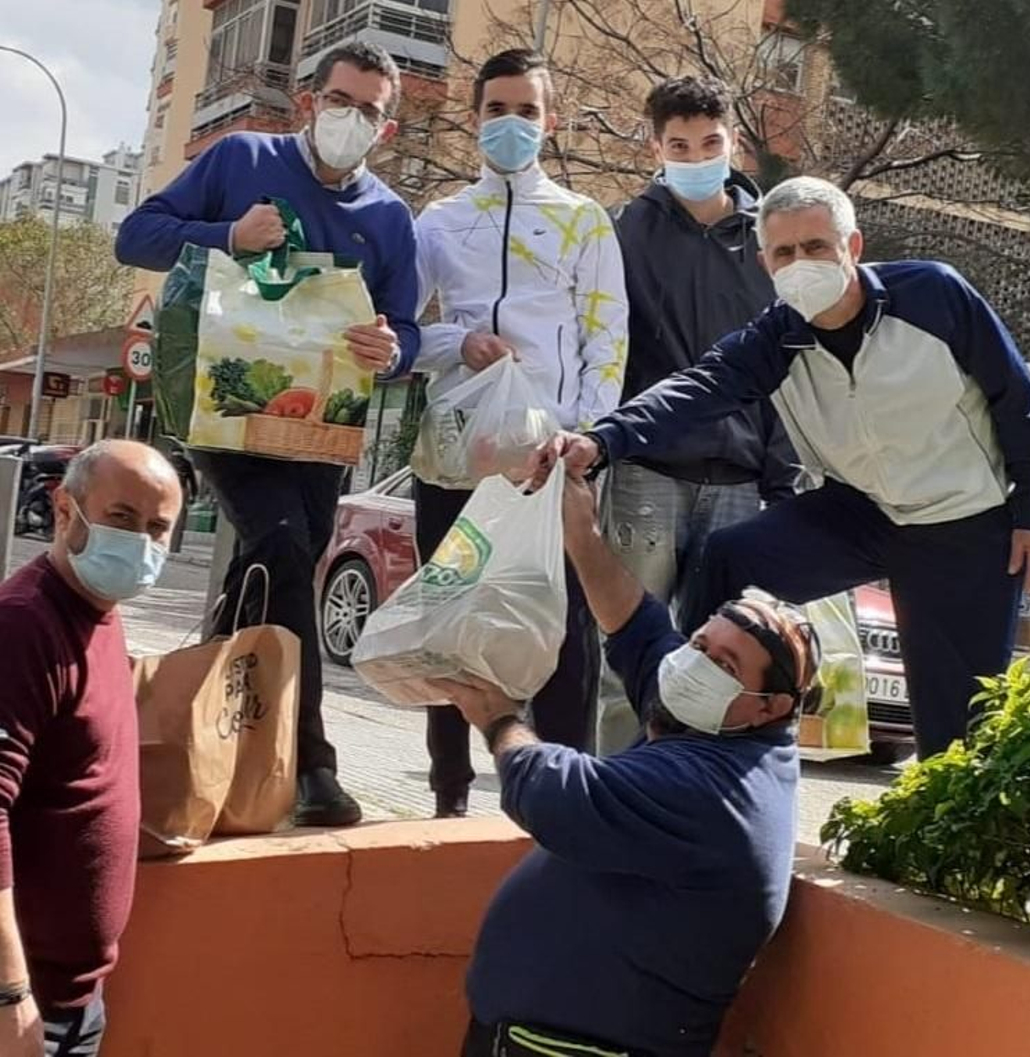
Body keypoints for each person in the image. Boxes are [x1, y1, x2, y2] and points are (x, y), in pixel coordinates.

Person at [559, 176, 1030, 760]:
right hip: (859, 510)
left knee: (959, 731)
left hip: (963, 521)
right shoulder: (776, 339)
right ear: (765, 263)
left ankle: (950, 842)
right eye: (785, 252)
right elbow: (698, 390)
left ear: (853, 248)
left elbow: (1018, 400)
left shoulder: (934, 296)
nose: (801, 262)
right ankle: (701, 732)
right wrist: (601, 442)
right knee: (732, 559)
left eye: (817, 247)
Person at [116, 42, 422, 827]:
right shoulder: (241, 157)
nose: (352, 119)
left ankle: (179, 732)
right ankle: (312, 761)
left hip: (321, 431)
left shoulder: (389, 216)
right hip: (224, 413)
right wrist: (228, 236)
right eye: (342, 100)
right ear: (310, 102)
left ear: (387, 129)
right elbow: (136, 236)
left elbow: (407, 332)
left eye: (371, 111)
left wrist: (394, 352)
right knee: (283, 547)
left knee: (265, 572)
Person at [432, 467, 816, 1057]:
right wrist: (581, 535)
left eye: (726, 666)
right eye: (701, 646)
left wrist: (499, 718)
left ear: (771, 707)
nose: (698, 666)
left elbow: (550, 792)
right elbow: (638, 627)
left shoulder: (715, 788)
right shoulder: (713, 721)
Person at [411, 48, 628, 816]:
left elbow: (609, 340)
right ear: (473, 120)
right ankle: (447, 795)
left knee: (561, 632)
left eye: (526, 110)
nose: (511, 124)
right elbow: (405, 332)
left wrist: (582, 441)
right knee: (448, 624)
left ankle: (568, 797)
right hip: (458, 460)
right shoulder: (439, 220)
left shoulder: (582, 220)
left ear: (551, 121)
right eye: (496, 110)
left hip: (549, 463)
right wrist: (457, 343)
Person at [596, 75, 798, 754]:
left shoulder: (771, 236)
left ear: (732, 141)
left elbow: (790, 363)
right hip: (648, 469)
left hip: (741, 478)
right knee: (629, 644)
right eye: (678, 145)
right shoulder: (626, 230)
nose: (694, 156)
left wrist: (782, 474)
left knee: (728, 658)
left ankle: (702, 794)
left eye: (709, 142)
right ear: (655, 146)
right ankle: (622, 791)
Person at [0, 441, 185, 1056]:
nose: (140, 543)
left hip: (74, 999)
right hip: (28, 1006)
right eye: (122, 518)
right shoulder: (24, 625)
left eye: (158, 528)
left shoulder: (97, 613)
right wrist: (10, 997)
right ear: (64, 509)